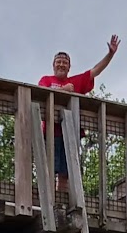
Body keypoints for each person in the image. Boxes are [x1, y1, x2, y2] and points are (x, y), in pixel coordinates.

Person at [39, 36, 119, 196]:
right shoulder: (46, 80)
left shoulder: (76, 81)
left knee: (65, 171)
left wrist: (110, 54)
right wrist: (65, 90)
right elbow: (42, 94)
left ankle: (61, 199)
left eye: (65, 62)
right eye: (58, 62)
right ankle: (48, 198)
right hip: (50, 132)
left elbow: (95, 71)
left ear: (69, 67)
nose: (61, 64)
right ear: (53, 65)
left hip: (69, 133)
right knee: (49, 168)